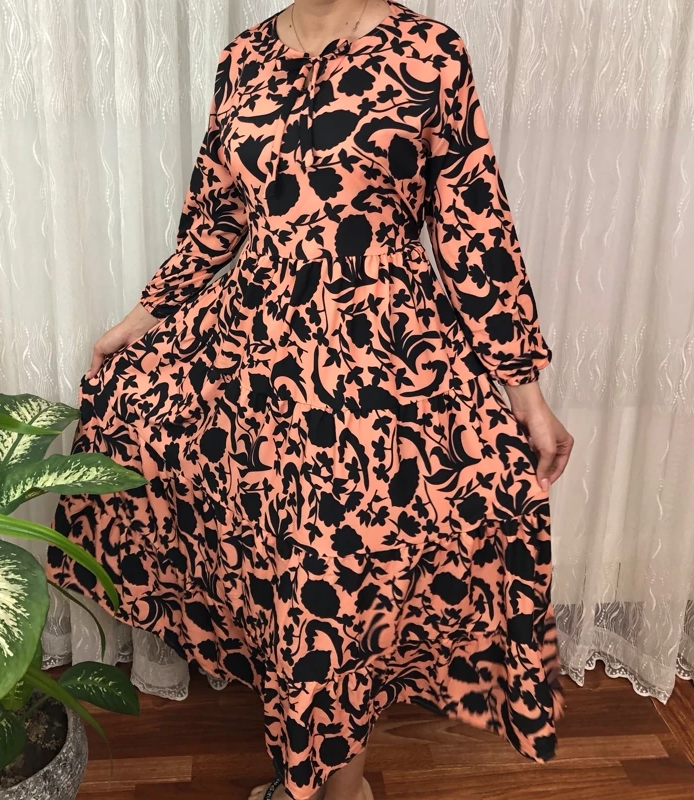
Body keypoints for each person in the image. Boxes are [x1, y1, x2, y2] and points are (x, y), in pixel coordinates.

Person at [46, 1, 574, 798]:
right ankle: (314, 778)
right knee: (282, 573)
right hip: (255, 359)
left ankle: (342, 788)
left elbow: (475, 226)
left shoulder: (431, 52)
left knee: (340, 579)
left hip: (381, 365)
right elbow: (217, 219)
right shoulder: (243, 59)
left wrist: (524, 388)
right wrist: (141, 318)